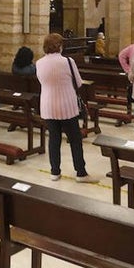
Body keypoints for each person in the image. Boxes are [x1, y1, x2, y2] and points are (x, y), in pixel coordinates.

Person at [35, 33, 92, 182]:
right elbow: (78, 83)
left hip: (48, 105)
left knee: (54, 139)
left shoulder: (39, 63)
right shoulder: (67, 61)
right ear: (60, 46)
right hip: (67, 106)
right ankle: (81, 172)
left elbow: (42, 81)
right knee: (74, 139)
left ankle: (55, 171)